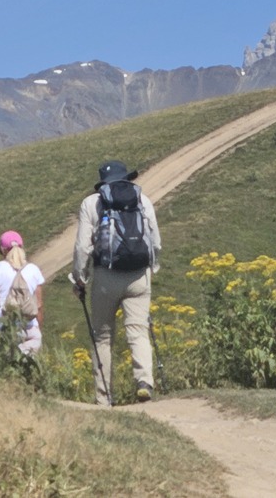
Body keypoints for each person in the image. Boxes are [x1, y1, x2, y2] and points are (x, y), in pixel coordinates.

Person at [72, 160, 161, 404]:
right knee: (138, 331)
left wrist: (80, 278)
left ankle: (104, 398)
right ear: (127, 179)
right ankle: (144, 381)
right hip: (139, 276)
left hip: (105, 276)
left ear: (103, 184)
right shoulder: (143, 199)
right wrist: (152, 267)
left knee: (102, 336)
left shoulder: (92, 203)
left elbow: (83, 246)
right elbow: (154, 240)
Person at [0, 229, 45, 354]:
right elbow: (39, 305)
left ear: (3, 250)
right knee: (27, 371)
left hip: (3, 329)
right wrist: (38, 328)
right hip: (30, 329)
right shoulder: (34, 270)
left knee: (5, 370)